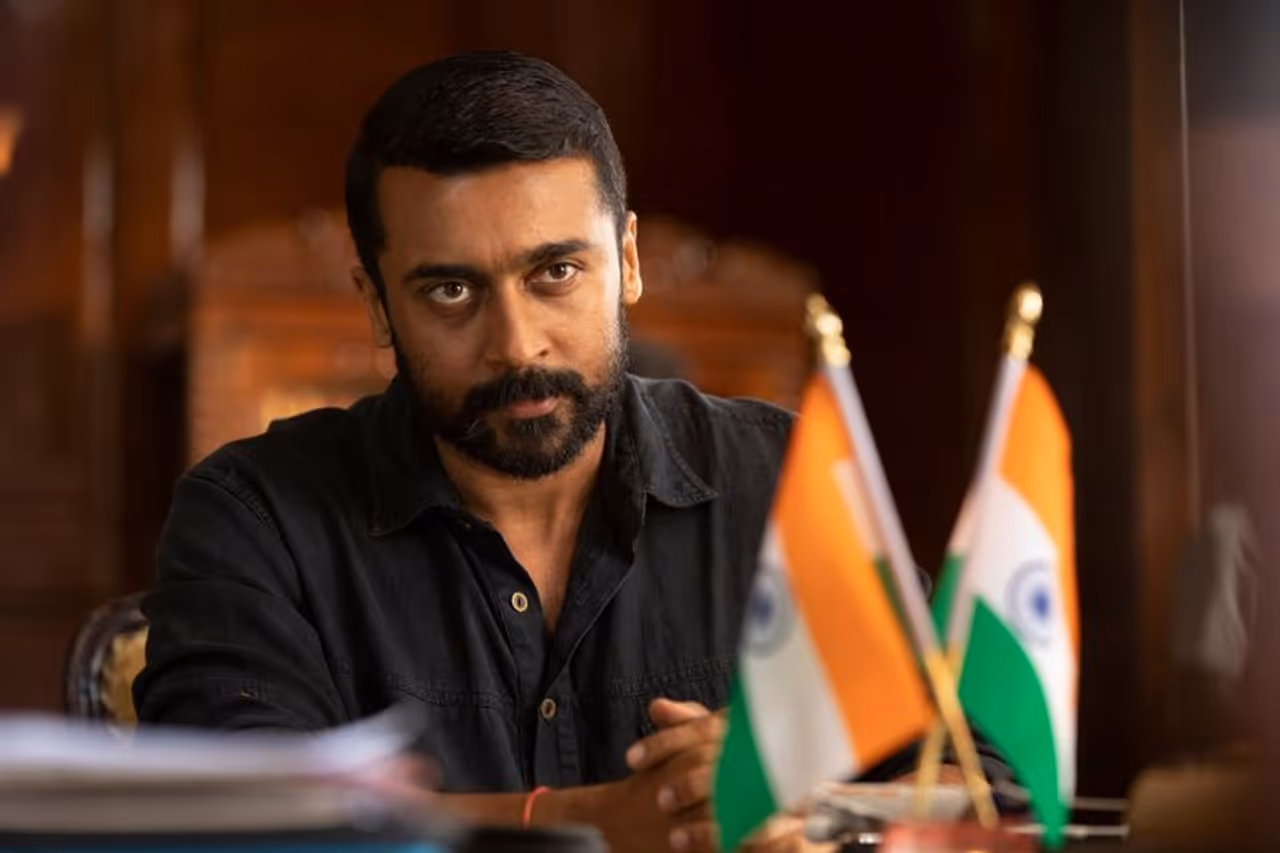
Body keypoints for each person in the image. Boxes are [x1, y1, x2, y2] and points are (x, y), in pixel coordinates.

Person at [134, 51, 931, 853]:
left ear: (627, 261)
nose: (516, 346)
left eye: (555, 271)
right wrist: (598, 823)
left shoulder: (786, 477)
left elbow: (974, 772)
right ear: (377, 304)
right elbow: (241, 827)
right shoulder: (253, 517)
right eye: (451, 291)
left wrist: (802, 810)